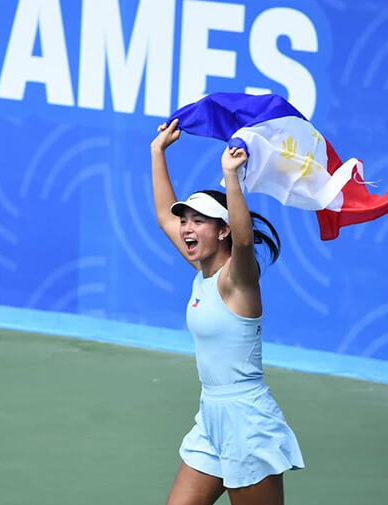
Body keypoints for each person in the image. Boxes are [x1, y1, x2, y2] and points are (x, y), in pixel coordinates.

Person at [150, 118, 304, 505]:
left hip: (247, 422)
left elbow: (245, 241)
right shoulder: (202, 272)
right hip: (210, 418)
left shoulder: (238, 280)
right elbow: (165, 217)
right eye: (186, 221)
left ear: (222, 231)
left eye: (198, 221)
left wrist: (231, 176)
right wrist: (157, 152)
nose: (187, 228)